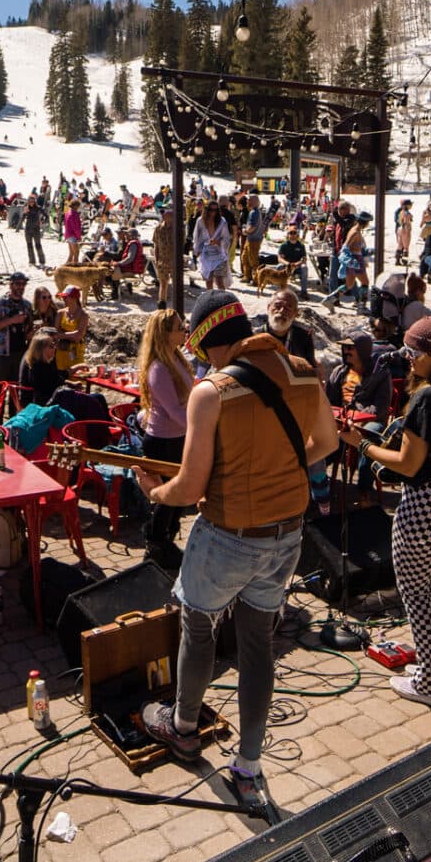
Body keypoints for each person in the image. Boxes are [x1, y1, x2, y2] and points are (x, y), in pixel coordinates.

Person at [137, 292, 338, 814]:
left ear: (206, 343)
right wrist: (283, 471)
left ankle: (183, 727)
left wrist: (152, 491)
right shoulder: (301, 370)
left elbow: (187, 488)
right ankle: (248, 765)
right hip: (286, 535)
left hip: (228, 535)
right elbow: (327, 441)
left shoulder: (212, 391)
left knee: (198, 626)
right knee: (257, 645)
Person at [342, 316, 431, 709]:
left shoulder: (428, 398)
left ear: (427, 357)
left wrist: (363, 446)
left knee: (417, 594)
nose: (407, 360)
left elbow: (407, 464)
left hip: (430, 505)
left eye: (410, 353)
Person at [137, 308, 195, 550]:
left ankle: (166, 536)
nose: (184, 331)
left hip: (178, 436)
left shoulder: (176, 358)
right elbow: (174, 410)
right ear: (165, 334)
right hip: (163, 439)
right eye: (179, 328)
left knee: (180, 495)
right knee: (170, 496)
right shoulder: (159, 368)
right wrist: (202, 427)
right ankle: (156, 538)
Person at [326, 332, 394, 423]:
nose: (346, 351)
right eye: (344, 347)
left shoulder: (381, 374)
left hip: (369, 421)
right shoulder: (338, 372)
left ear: (362, 350)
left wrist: (358, 419)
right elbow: (329, 401)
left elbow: (380, 408)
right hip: (340, 418)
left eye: (350, 348)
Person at [0, 271, 34, 388]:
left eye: (23, 284)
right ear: (11, 284)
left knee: (17, 389)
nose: (21, 287)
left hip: (20, 353)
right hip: (2, 353)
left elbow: (28, 329)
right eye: (18, 284)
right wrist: (11, 320)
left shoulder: (27, 305)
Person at [262, 289, 316, 366]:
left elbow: (311, 369)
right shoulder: (254, 335)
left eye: (288, 307)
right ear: (268, 307)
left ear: (296, 313)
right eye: (277, 306)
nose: (282, 311)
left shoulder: (304, 338)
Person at [191, 203, 231, 292]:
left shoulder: (222, 222)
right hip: (206, 254)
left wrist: (217, 242)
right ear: (206, 210)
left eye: (216, 210)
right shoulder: (200, 221)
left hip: (219, 254)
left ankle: (222, 300)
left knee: (219, 280)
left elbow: (226, 238)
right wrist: (197, 250)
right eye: (211, 210)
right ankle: (211, 299)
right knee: (208, 280)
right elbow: (196, 237)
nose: (213, 212)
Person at [54, 286, 89, 368]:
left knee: (76, 377)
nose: (63, 299)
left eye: (66, 297)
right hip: (61, 352)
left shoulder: (83, 315)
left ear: (74, 298)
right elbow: (55, 334)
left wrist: (62, 335)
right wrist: (72, 334)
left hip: (76, 353)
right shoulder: (60, 313)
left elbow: (78, 337)